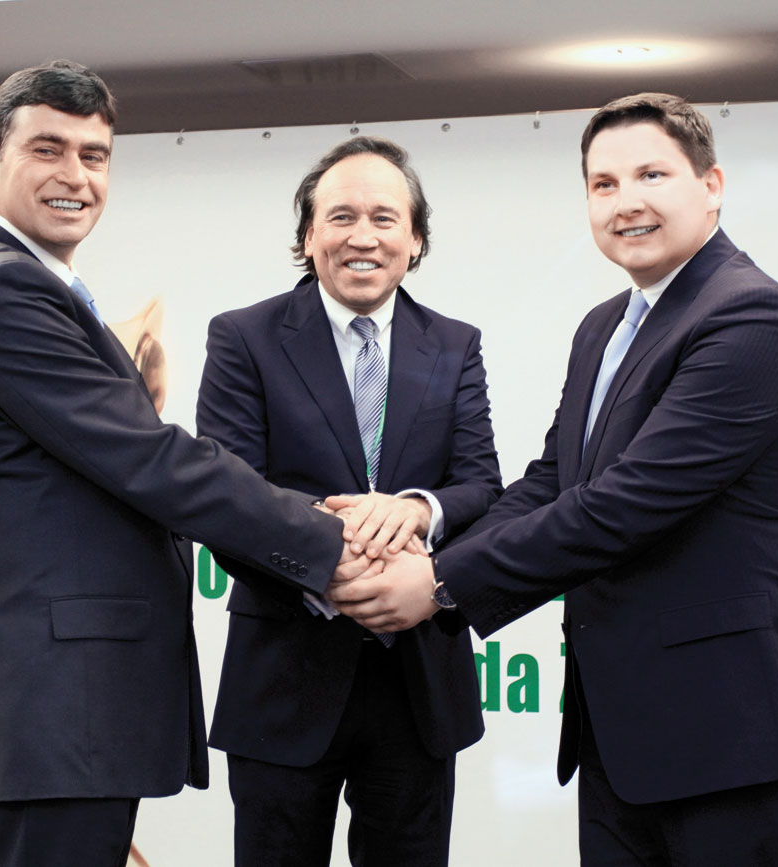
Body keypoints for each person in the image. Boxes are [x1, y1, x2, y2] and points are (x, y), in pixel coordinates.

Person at [329, 93, 778, 865]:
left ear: (711, 185)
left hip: (737, 731)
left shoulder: (751, 318)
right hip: (624, 732)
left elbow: (623, 505)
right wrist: (426, 543)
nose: (625, 202)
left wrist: (439, 582)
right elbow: (554, 480)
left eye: (651, 175)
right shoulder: (605, 326)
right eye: (603, 184)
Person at [0, 60, 346, 867]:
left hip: (69, 713)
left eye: (94, 155)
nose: (75, 176)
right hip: (55, 710)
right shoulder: (3, 293)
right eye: (48, 149)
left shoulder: (27, 284)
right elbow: (151, 460)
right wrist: (329, 541)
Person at [195, 135, 502, 866]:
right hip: (284, 676)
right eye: (341, 217)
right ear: (308, 236)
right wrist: (339, 556)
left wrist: (418, 508)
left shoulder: (454, 344)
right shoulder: (244, 338)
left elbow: (480, 484)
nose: (363, 237)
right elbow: (227, 492)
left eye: (384, 218)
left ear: (415, 239)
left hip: (418, 680)